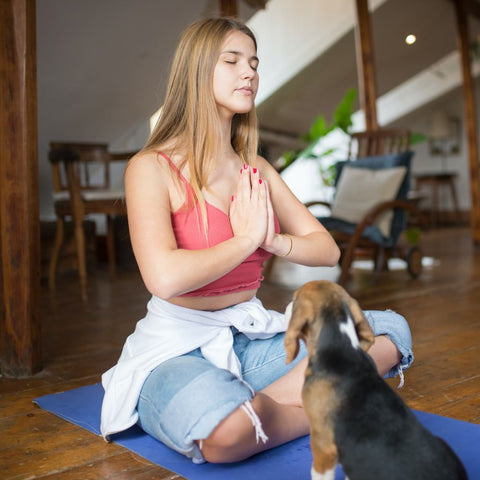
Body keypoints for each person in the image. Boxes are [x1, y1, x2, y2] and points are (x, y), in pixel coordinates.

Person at [100, 17, 413, 465]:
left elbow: (327, 249)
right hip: (176, 348)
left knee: (388, 332)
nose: (249, 72)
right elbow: (164, 277)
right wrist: (247, 239)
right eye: (232, 61)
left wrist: (274, 240)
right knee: (225, 433)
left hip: (248, 339)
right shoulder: (150, 168)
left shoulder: (256, 170)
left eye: (253, 62)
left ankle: (264, 407)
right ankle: (314, 403)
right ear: (196, 72)